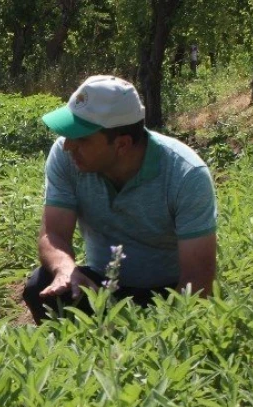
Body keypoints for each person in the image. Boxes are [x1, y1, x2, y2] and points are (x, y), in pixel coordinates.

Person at [22, 75, 217, 324]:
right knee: (41, 286)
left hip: (167, 293)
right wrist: (65, 270)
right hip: (100, 284)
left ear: (122, 144)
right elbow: (53, 233)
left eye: (81, 139)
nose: (68, 146)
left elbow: (198, 276)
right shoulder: (66, 157)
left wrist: (164, 332)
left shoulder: (185, 174)